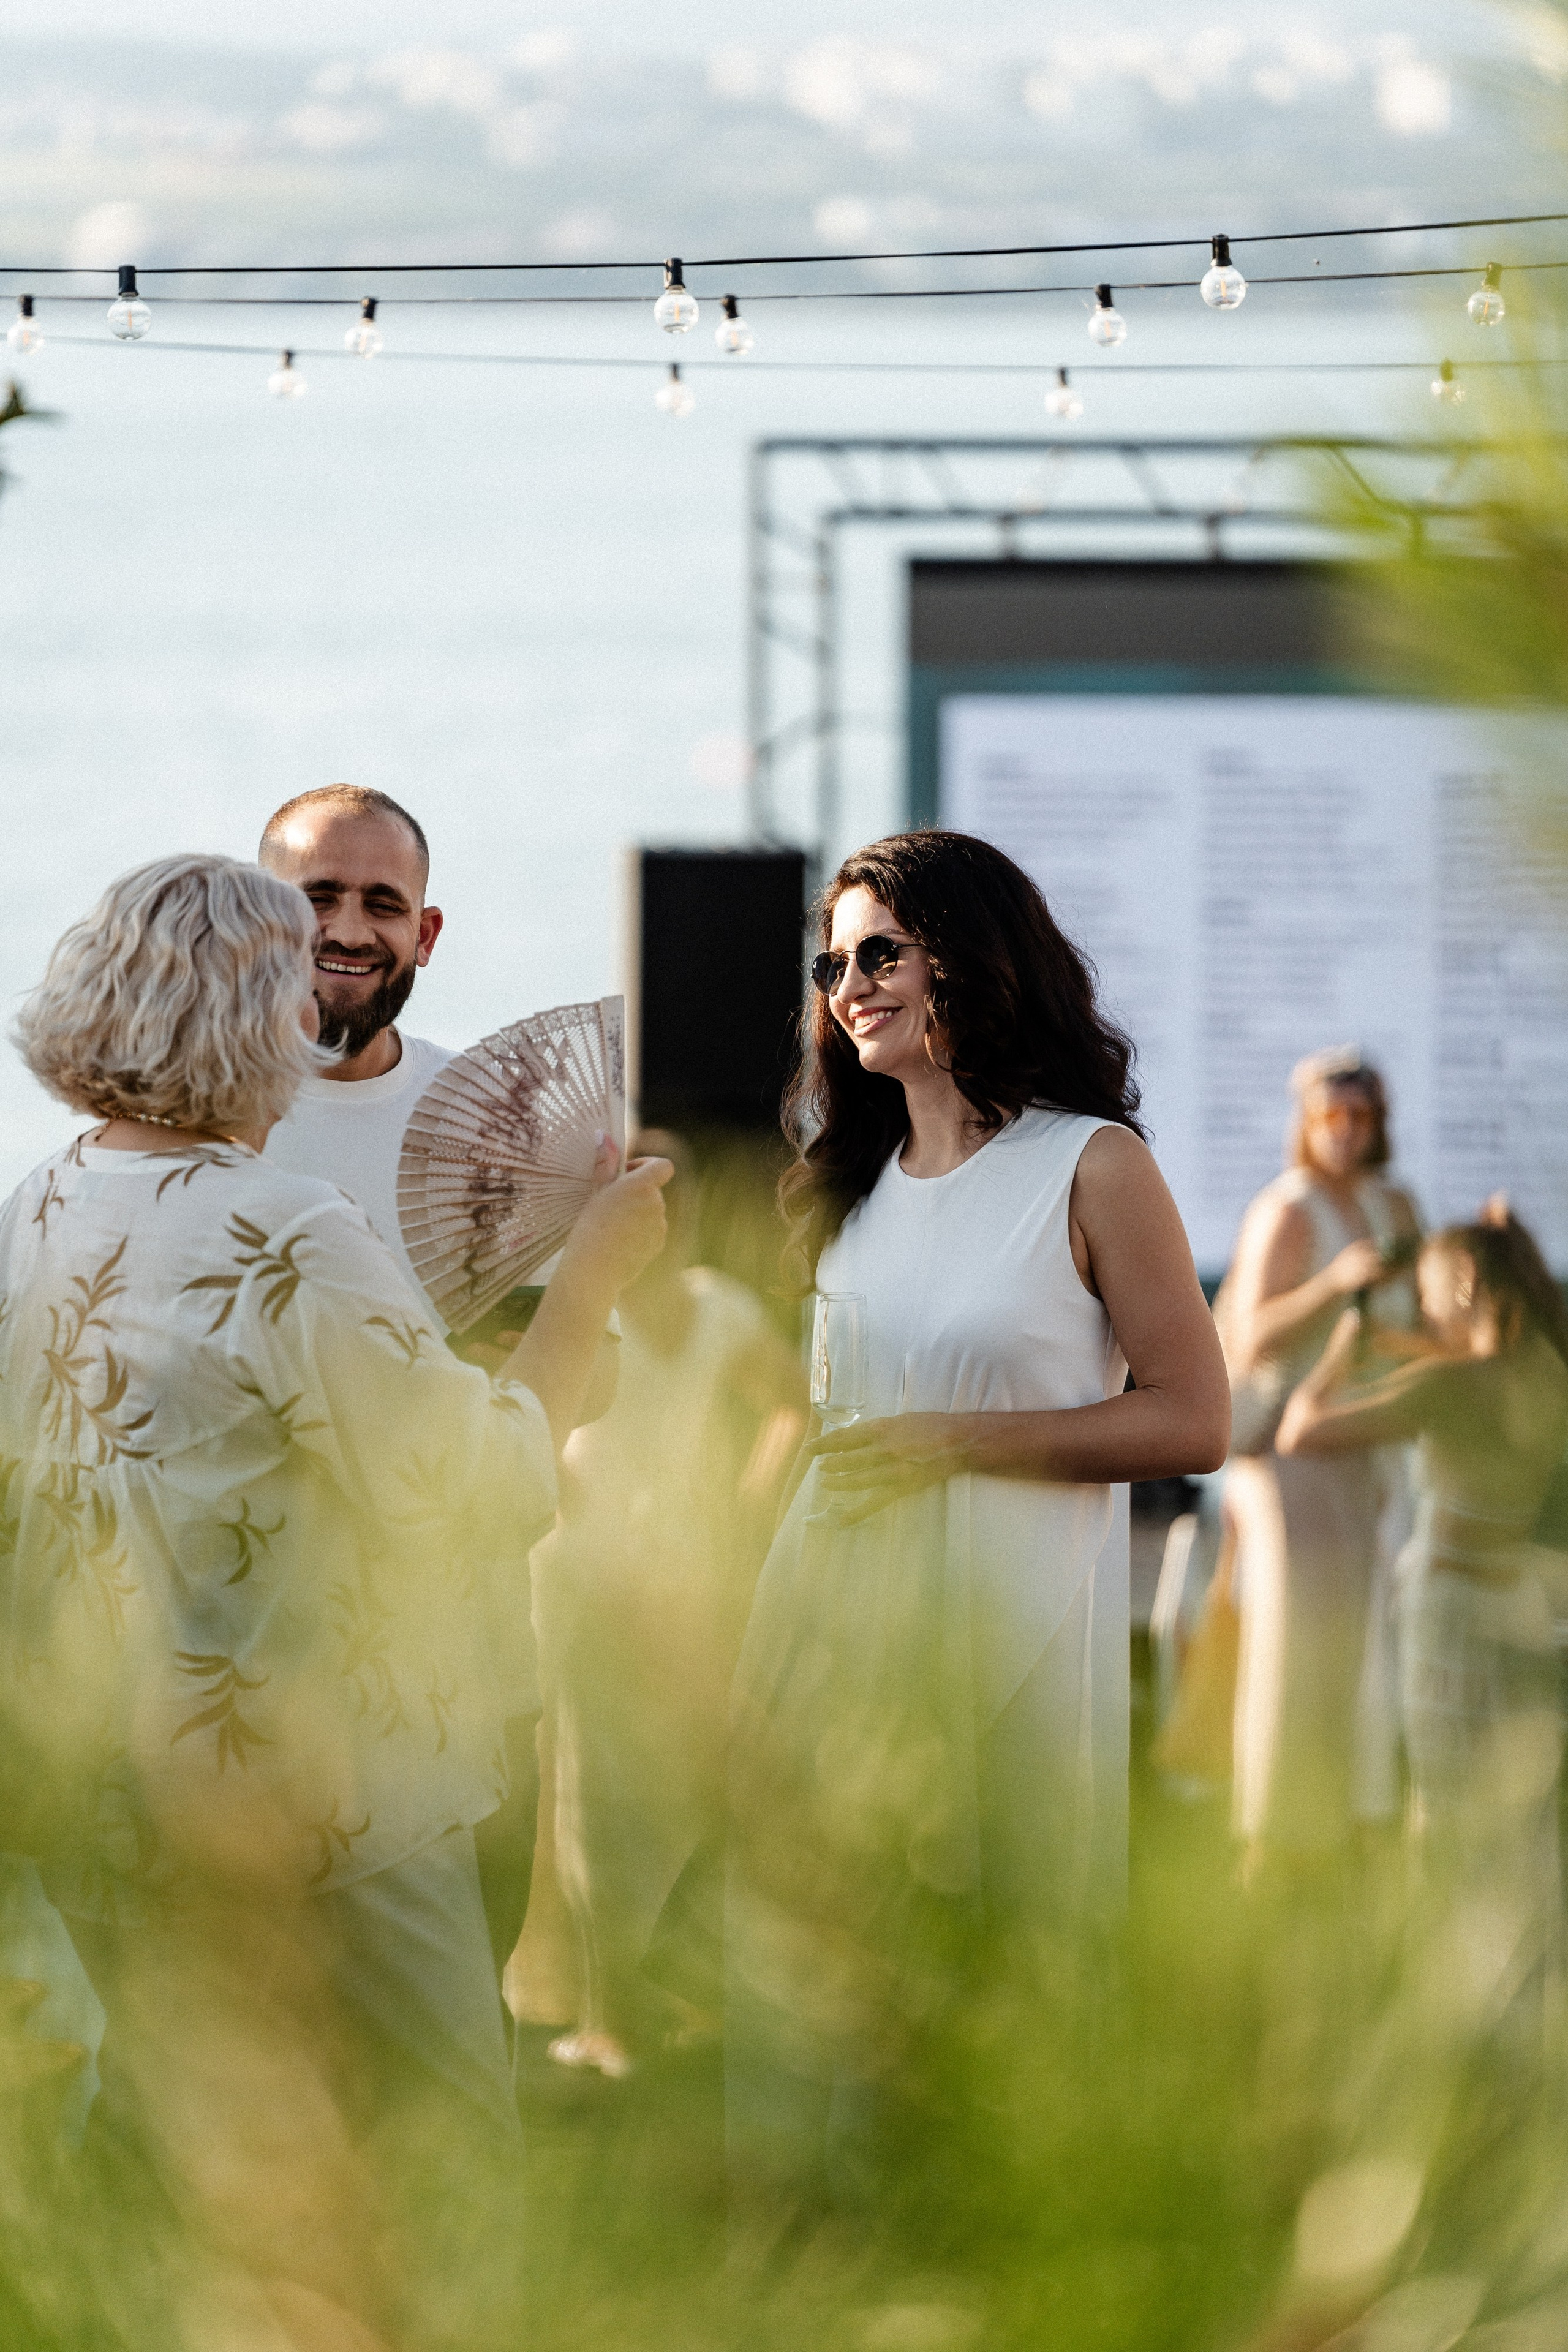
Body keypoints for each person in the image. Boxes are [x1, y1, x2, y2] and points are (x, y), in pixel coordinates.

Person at [0, 854, 669, 2346]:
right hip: (333, 1796)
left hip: (116, 1792)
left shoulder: (29, 1215)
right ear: (253, 1013)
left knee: (196, 2181)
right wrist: (586, 1291)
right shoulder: (290, 1231)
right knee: (433, 2178)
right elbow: (475, 1492)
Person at [725, 829, 1229, 2212]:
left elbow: (1194, 1420)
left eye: (879, 949)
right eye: (832, 961)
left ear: (971, 954)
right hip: (831, 1631)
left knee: (987, 2011)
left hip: (1010, 1636)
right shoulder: (852, 1193)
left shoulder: (1091, 1167)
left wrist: (957, 1444)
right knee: (826, 2003)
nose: (848, 983)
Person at [255, 782, 611, 1992]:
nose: (349, 927)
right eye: (317, 897)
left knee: (455, 2044)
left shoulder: (501, 1128)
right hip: (250, 1676)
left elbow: (586, 1381)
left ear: (427, 932)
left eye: (381, 903)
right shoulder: (202, 1124)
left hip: (466, 1660)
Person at [515, 1132, 807, 2077]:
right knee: (587, 1792)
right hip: (585, 1574)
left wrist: (749, 1499)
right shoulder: (576, 1302)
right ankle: (605, 2009)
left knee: (678, 1786)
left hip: (686, 1574)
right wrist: (553, 1485)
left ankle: (659, 2001)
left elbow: (794, 1405)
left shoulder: (715, 1306)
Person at [1276, 1207, 1568, 2015]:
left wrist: (1336, 1356)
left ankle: (1454, 2003)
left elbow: (1303, 1430)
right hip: (1512, 1596)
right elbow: (1462, 1351)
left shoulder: (1446, 1386)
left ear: (1467, 1284)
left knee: (1443, 1806)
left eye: (1433, 1291)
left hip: (1447, 1606)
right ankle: (1525, 1993)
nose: (1426, 1309)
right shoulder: (1545, 1368)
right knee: (1519, 1814)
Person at [1219, 1049, 1422, 1864]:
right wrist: (1334, 1284)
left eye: (1359, 1116)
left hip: (1374, 1447)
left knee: (1371, 1648)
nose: (1344, 1131)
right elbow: (1250, 1336)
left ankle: (1358, 1834)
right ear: (1305, 1122)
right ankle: (1273, 1844)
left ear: (1379, 1123)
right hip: (1288, 1457)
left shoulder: (1396, 1202)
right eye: (1329, 1116)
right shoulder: (1288, 1208)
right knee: (1294, 1651)